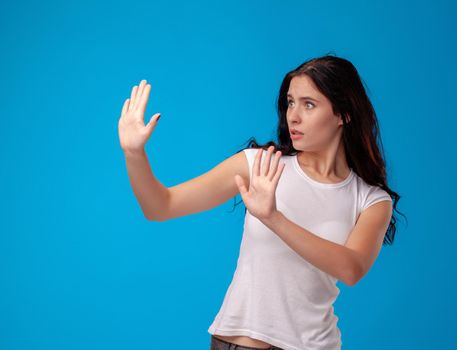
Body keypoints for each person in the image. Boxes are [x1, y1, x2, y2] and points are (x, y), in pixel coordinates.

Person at [118, 54, 404, 350]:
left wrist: (273, 218)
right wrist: (134, 154)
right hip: (238, 343)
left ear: (343, 113)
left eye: (309, 104)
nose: (293, 115)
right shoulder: (259, 165)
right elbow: (160, 206)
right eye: (290, 102)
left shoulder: (371, 199)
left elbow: (351, 268)